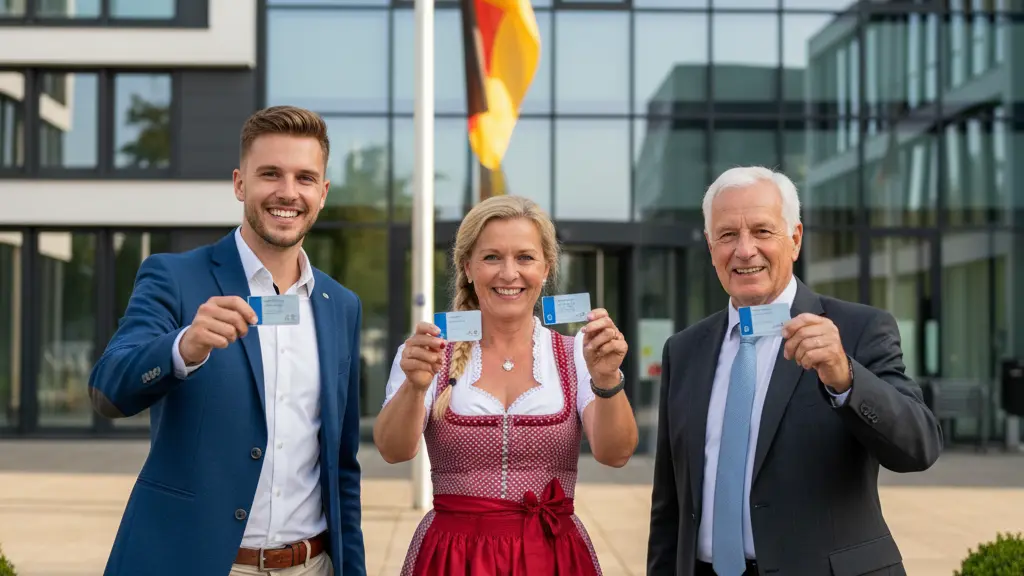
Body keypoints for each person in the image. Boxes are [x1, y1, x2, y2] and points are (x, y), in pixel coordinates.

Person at [88, 106, 366, 576]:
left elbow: (342, 466)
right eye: (270, 174)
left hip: (312, 564)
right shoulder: (174, 277)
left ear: (322, 193)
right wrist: (183, 347)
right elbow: (108, 391)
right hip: (200, 563)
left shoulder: (340, 304)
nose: (287, 192)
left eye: (304, 178)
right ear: (240, 184)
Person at [646, 166, 942, 576]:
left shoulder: (856, 331)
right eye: (728, 235)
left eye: (763, 232)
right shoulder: (684, 350)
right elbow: (670, 504)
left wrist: (847, 379)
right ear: (711, 247)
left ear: (795, 239)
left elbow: (919, 448)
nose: (745, 250)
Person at [373, 195, 639, 575]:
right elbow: (393, 451)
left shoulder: (577, 354)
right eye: (492, 257)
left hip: (551, 556)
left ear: (546, 268)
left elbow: (615, 454)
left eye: (525, 258)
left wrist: (608, 379)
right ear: (467, 267)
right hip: (454, 558)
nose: (509, 273)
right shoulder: (430, 352)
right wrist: (415, 388)